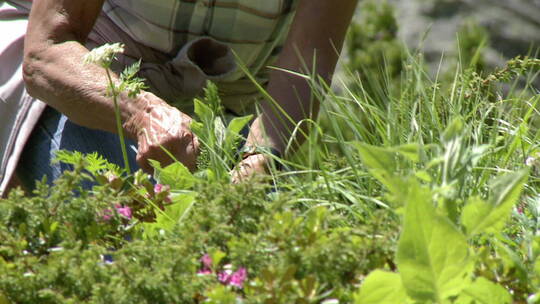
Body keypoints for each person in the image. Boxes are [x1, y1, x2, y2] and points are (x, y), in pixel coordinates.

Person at [0, 0, 358, 197]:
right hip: (84, 80)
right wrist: (144, 115)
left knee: (261, 253)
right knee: (142, 238)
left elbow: (307, 64)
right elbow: (47, 52)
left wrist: (260, 162)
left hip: (226, 119)